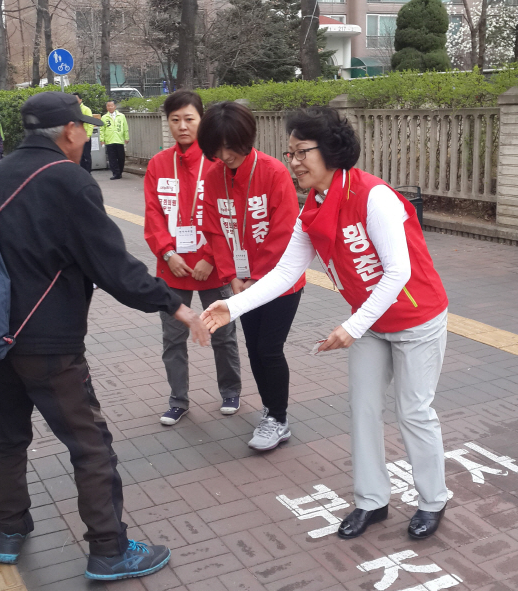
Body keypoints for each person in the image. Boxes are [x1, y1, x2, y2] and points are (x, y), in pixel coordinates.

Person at [0, 92, 209, 580]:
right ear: (68, 132)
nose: (87, 137)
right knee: (90, 444)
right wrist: (174, 305)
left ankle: (8, 529)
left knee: (9, 434)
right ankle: (108, 548)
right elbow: (113, 267)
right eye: (84, 128)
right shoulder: (69, 180)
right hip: (50, 344)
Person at [201, 105, 449, 540]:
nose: (293, 161)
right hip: (371, 324)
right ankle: (371, 500)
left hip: (416, 319)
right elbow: (284, 272)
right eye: (290, 152)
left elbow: (398, 272)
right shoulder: (312, 206)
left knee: (414, 412)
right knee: (364, 409)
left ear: (330, 151)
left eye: (301, 152)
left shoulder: (374, 197)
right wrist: (230, 308)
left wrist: (353, 326)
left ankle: (433, 499)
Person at [199, 102, 305, 452]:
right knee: (255, 350)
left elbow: (283, 232)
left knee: (269, 349)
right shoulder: (214, 177)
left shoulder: (273, 173)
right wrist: (232, 277)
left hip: (280, 282)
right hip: (241, 284)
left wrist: (259, 278)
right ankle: (271, 413)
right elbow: (215, 232)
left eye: (230, 146)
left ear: (247, 139)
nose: (224, 155)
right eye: (217, 148)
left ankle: (278, 418)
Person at [144, 90, 242, 425]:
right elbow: (153, 214)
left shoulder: (217, 162)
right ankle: (178, 400)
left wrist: (211, 258)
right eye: (175, 120)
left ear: (202, 120)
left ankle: (230, 392)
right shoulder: (158, 164)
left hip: (212, 267)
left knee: (223, 333)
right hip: (173, 267)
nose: (182, 126)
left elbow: (227, 216)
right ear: (167, 122)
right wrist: (168, 253)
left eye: (190, 119)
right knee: (173, 338)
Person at [101, 99, 129, 179]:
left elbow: (125, 127)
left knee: (121, 157)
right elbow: (102, 130)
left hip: (119, 139)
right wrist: (102, 140)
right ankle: (115, 173)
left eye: (111, 106)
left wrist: (126, 137)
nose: (110, 107)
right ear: (106, 107)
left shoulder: (121, 116)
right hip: (109, 140)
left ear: (115, 106)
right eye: (108, 106)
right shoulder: (104, 117)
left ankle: (120, 171)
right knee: (112, 158)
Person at [74, 92, 94, 172]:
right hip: (76, 137)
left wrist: (88, 135)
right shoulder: (72, 110)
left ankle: (88, 172)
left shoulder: (86, 109)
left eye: (76, 99)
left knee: (86, 155)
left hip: (85, 136)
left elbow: (90, 124)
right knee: (80, 156)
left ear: (81, 100)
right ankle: (82, 172)